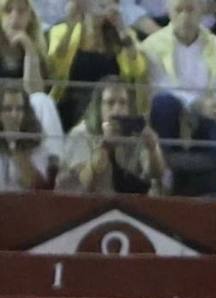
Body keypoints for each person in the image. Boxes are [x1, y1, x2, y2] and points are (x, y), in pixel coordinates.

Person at [142, 0, 216, 176]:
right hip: (171, 116)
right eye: (179, 10)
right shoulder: (151, 45)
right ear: (168, 11)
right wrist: (197, 104)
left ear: (202, 10)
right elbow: (158, 88)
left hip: (206, 117)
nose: (185, 16)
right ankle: (164, 173)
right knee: (164, 103)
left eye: (190, 9)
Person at [46, 0, 148, 129]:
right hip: (71, 103)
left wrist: (120, 28)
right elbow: (54, 66)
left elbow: (137, 70)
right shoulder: (60, 31)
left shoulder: (123, 35)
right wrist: (71, 24)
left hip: (109, 103)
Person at [57, 76, 167, 193]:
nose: (117, 109)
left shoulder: (135, 132)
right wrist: (105, 146)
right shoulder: (81, 133)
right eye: (110, 103)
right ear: (99, 107)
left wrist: (153, 149)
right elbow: (85, 183)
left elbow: (156, 174)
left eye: (123, 103)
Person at [0, 80, 61, 189]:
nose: (14, 115)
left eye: (19, 109)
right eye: (8, 109)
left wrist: (14, 145)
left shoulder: (35, 139)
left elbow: (39, 187)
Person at [0, 0, 46, 94]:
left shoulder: (36, 50)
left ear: (30, 17)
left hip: (23, 102)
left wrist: (28, 47)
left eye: (21, 11)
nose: (15, 16)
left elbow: (35, 92)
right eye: (8, 11)